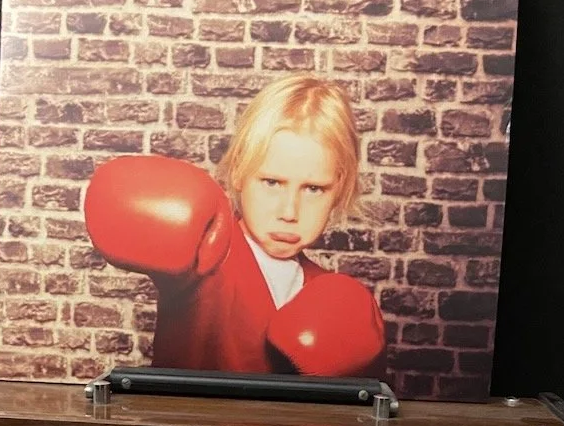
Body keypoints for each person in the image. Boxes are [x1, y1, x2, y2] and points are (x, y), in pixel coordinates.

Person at [83, 75, 387, 378]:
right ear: (240, 171)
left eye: (313, 189)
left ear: (340, 187)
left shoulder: (335, 300)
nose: (289, 211)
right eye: (271, 182)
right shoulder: (204, 260)